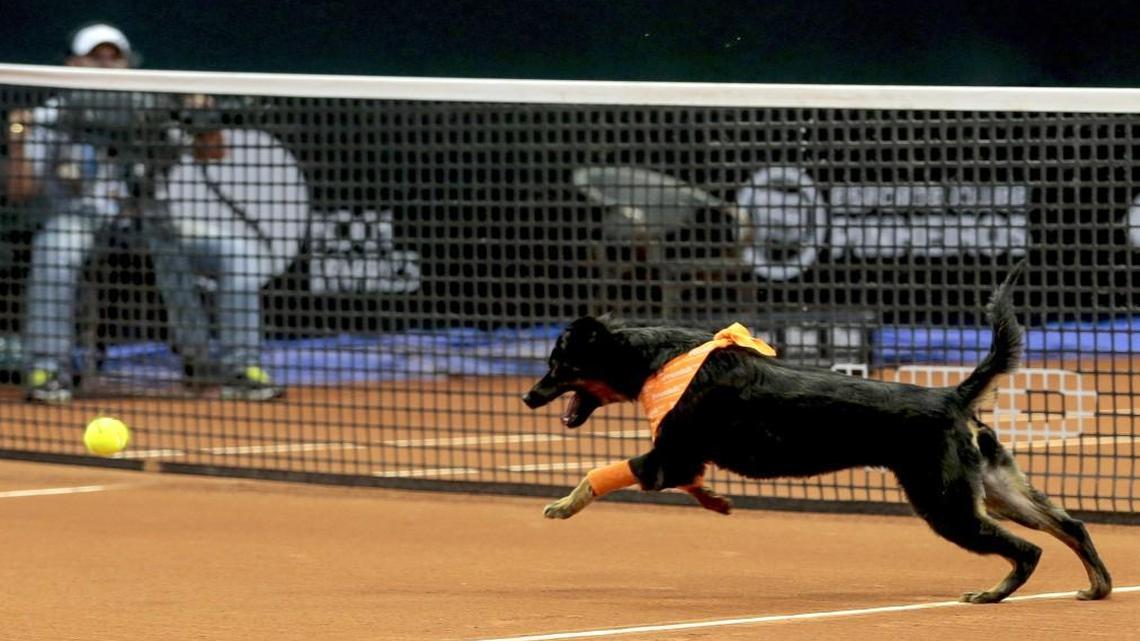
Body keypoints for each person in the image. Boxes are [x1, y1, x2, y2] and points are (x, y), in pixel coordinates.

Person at [6, 23, 283, 403]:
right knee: (55, 252)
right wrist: (19, 136)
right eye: (95, 57)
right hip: (80, 219)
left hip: (150, 219)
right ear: (73, 63)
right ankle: (47, 370)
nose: (106, 64)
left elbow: (213, 152)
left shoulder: (153, 107)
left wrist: (203, 116)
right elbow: (21, 191)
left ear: (129, 62)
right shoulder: (55, 113)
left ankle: (242, 369)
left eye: (114, 56)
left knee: (238, 254)